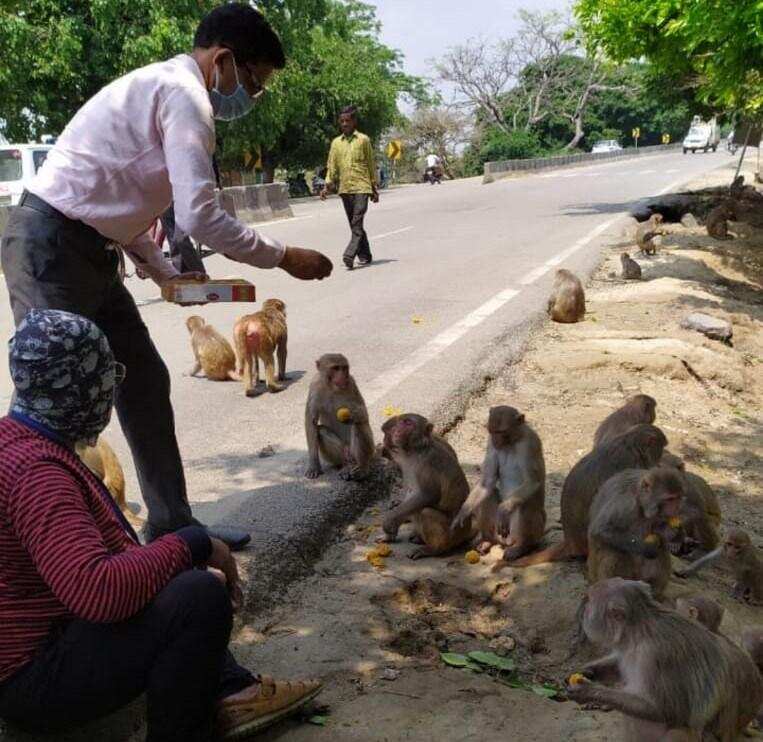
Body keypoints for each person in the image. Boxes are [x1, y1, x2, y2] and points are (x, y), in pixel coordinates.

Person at [0, 4, 333, 550]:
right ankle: (45, 556)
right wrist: (283, 255)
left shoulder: (165, 89)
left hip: (88, 246)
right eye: (256, 81)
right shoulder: (187, 97)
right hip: (49, 248)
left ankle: (173, 524)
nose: (254, 95)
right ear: (224, 60)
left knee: (143, 380)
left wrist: (164, 275)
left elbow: (115, 202)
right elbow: (201, 216)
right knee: (52, 405)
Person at [0, 309, 322, 741]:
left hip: (42, 641)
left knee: (169, 572)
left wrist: (175, 556)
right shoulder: (38, 473)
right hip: (32, 679)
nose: (110, 391)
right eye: (105, 376)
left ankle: (231, 688)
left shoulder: (19, 440)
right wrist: (193, 543)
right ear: (79, 388)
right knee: (198, 594)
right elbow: (99, 592)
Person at [320, 106, 378, 270]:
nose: (344, 124)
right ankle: (365, 255)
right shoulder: (336, 143)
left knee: (357, 221)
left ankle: (349, 254)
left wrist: (374, 187)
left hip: (362, 186)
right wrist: (327, 186)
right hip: (345, 188)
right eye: (342, 121)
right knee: (354, 224)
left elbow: (371, 164)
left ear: (354, 121)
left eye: (348, 120)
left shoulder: (363, 140)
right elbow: (332, 167)